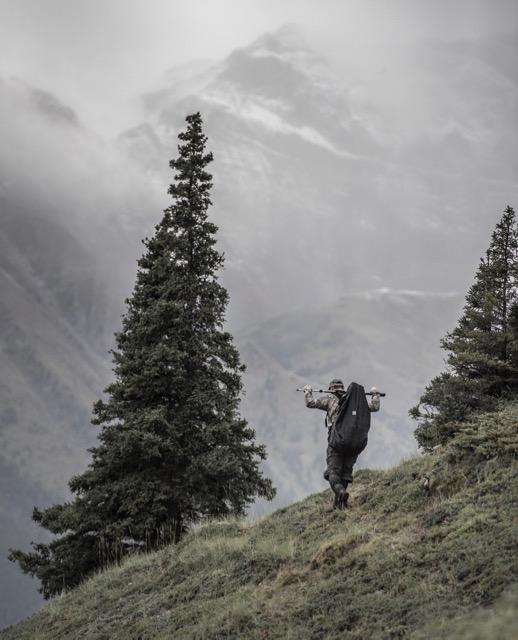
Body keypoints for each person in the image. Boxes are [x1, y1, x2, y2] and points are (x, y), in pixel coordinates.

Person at [303, 379, 381, 510]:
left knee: (332, 472)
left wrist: (307, 392)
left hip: (337, 442)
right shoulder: (354, 402)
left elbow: (311, 403)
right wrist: (375, 395)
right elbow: (374, 407)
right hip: (354, 445)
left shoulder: (329, 399)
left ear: (331, 389)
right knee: (345, 473)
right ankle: (339, 504)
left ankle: (340, 492)